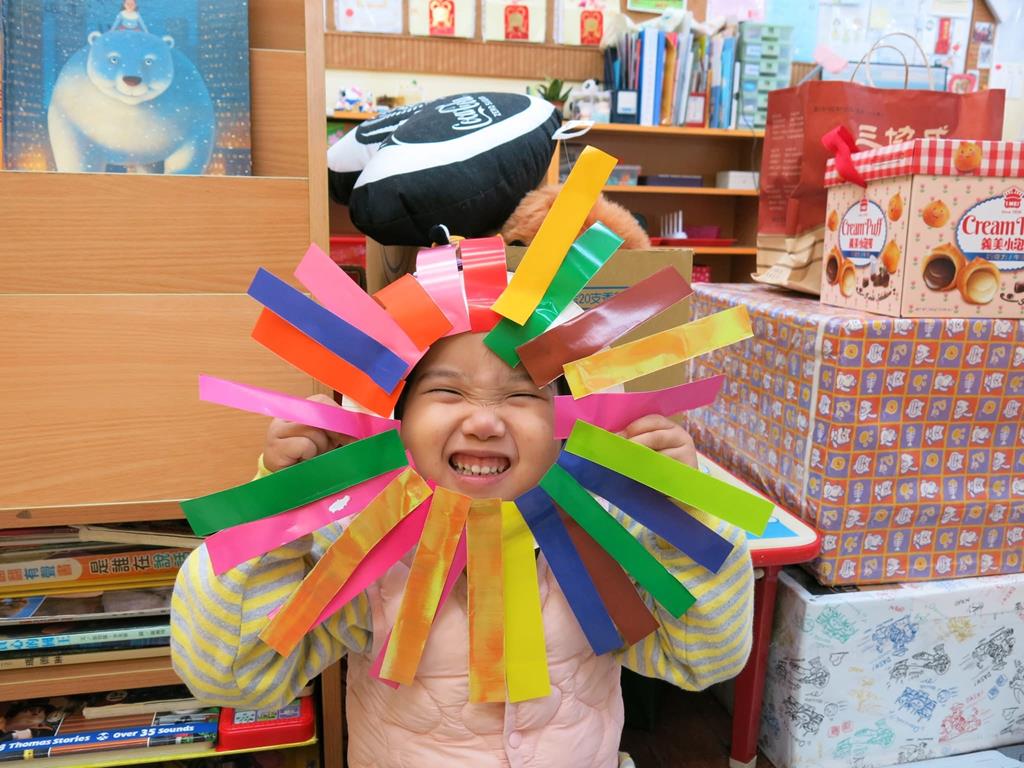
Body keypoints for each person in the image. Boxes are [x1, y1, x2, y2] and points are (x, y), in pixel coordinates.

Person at [171, 329, 754, 768]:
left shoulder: (603, 536)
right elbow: (232, 676)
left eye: (523, 394)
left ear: (573, 426)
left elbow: (701, 660)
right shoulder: (360, 551)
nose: (483, 422)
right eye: (448, 389)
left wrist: (683, 518)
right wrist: (277, 515)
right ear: (393, 420)